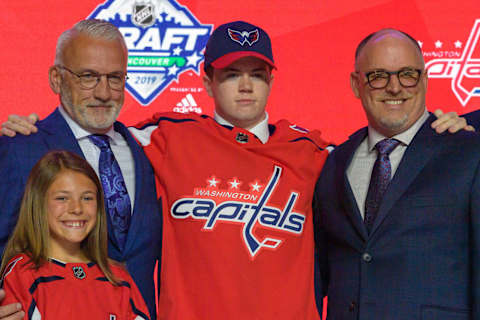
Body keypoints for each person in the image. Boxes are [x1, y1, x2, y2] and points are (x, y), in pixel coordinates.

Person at [0, 21, 471, 319]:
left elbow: (391, 150)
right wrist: (31, 127)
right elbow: (86, 129)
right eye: (230, 74)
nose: (244, 87)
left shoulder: (319, 154)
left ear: (271, 80)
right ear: (205, 80)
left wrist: (450, 123)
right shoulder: (163, 138)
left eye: (256, 74)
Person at [0, 20, 161, 319]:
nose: (103, 92)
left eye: (115, 78)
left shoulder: (150, 151)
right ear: (56, 79)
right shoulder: (20, 148)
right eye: (88, 76)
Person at [314, 28, 480, 319]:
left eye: (407, 74)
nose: (395, 87)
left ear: (425, 80)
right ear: (356, 84)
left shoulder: (468, 152)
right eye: (378, 76)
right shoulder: (333, 163)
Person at [0, 151, 150, 319]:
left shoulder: (117, 277)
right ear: (38, 203)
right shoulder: (23, 273)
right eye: (62, 198)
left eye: (87, 198)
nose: (77, 208)